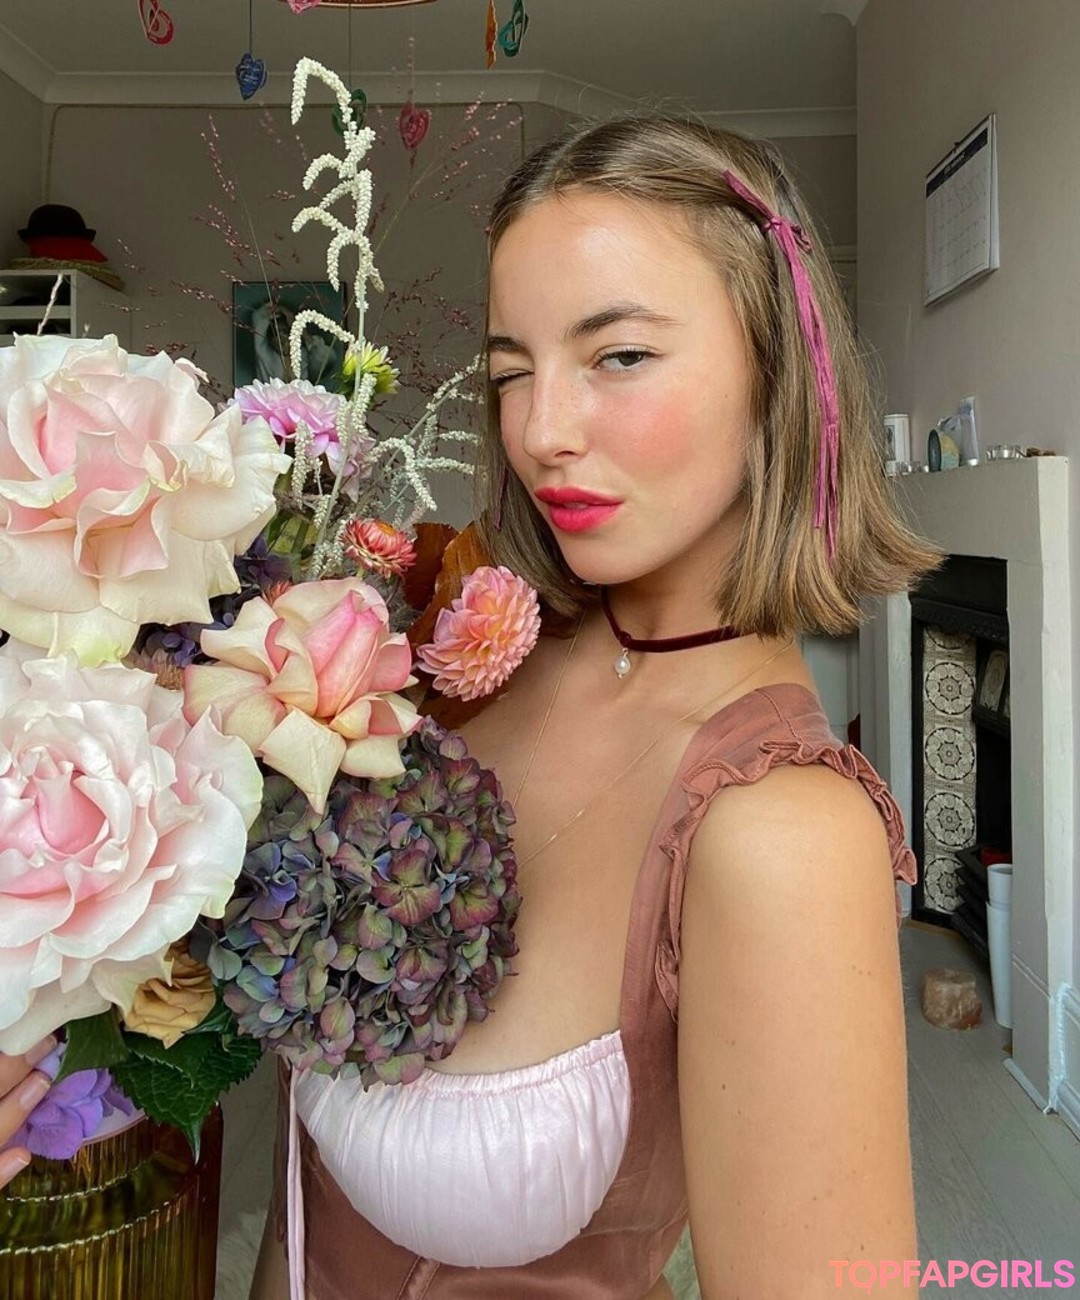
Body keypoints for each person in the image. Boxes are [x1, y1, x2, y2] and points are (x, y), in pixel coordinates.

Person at [2, 115, 937, 1299]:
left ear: (778, 368)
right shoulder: (474, 651)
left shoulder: (783, 832)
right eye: (509, 373)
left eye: (619, 356)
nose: (541, 432)